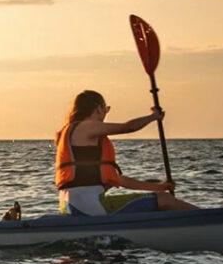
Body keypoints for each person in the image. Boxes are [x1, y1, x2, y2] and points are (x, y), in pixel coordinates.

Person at [55, 90, 198, 215]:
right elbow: (127, 127)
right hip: (89, 204)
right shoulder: (87, 126)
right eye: (106, 109)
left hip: (70, 204)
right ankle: (208, 218)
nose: (105, 114)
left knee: (160, 199)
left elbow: (120, 180)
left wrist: (159, 187)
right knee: (165, 200)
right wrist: (154, 117)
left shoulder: (69, 133)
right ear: (98, 108)